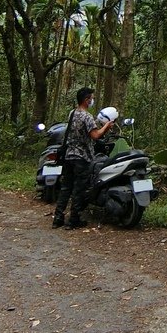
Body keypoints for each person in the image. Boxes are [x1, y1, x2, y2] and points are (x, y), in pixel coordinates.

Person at [52, 87, 115, 229]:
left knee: (66, 187)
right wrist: (106, 126)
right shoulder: (87, 117)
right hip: (82, 157)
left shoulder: (72, 113)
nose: (92, 100)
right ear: (86, 100)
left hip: (69, 155)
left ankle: (58, 217)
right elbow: (96, 135)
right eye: (91, 98)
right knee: (79, 189)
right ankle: (73, 220)